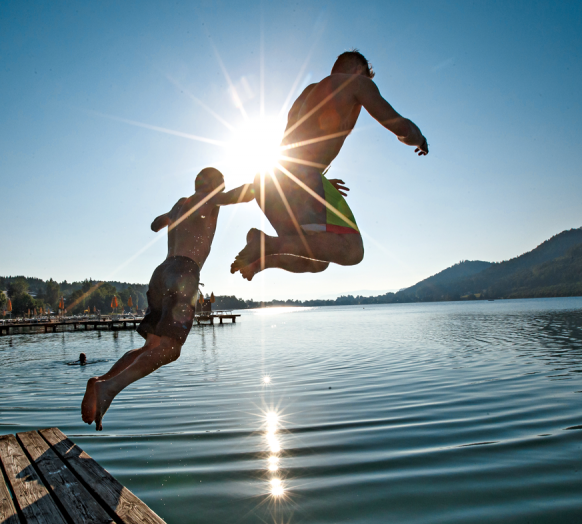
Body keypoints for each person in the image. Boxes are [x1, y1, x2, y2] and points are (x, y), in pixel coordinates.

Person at [230, 49, 429, 280]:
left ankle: (259, 261)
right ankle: (265, 245)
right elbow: (401, 128)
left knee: (318, 260)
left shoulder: (307, 93)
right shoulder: (357, 84)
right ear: (358, 70)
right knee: (352, 251)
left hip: (270, 178)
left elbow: (296, 145)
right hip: (300, 177)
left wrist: (317, 182)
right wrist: (420, 139)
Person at [81, 167, 253, 430]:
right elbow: (244, 194)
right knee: (170, 350)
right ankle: (109, 388)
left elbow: (154, 224)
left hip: (161, 273)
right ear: (216, 185)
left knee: (151, 347)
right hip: (184, 272)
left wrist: (172, 217)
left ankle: (100, 380)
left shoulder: (180, 204)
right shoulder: (212, 198)